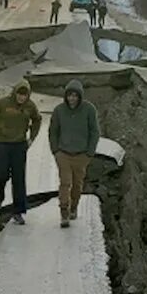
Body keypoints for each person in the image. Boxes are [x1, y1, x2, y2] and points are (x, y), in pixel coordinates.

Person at [0, 79, 42, 225]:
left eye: (24, 95)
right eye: (19, 94)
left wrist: (32, 138)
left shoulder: (30, 106)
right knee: (1, 175)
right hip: (1, 144)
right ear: (15, 93)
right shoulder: (3, 103)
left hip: (19, 146)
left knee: (18, 179)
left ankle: (18, 211)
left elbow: (37, 120)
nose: (21, 97)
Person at [48, 80, 100, 228]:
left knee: (77, 184)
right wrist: (55, 151)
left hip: (81, 155)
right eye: (69, 95)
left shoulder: (89, 110)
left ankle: (73, 207)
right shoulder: (59, 110)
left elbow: (94, 132)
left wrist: (89, 153)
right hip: (63, 154)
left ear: (80, 96)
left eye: (75, 96)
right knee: (65, 182)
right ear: (66, 96)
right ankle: (64, 212)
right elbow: (53, 132)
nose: (72, 98)